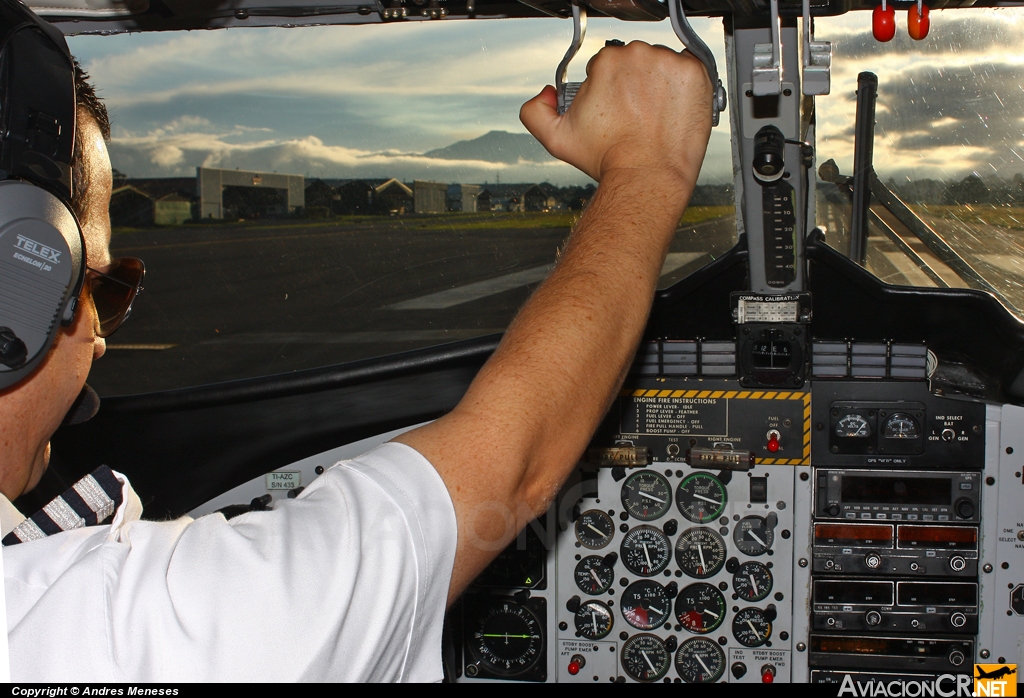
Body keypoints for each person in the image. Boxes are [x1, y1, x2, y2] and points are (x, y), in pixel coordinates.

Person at [0, 24, 712, 681]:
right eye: (101, 286)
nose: (97, 336)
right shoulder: (106, 630)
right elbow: (514, 470)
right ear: (19, 286)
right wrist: (649, 170)